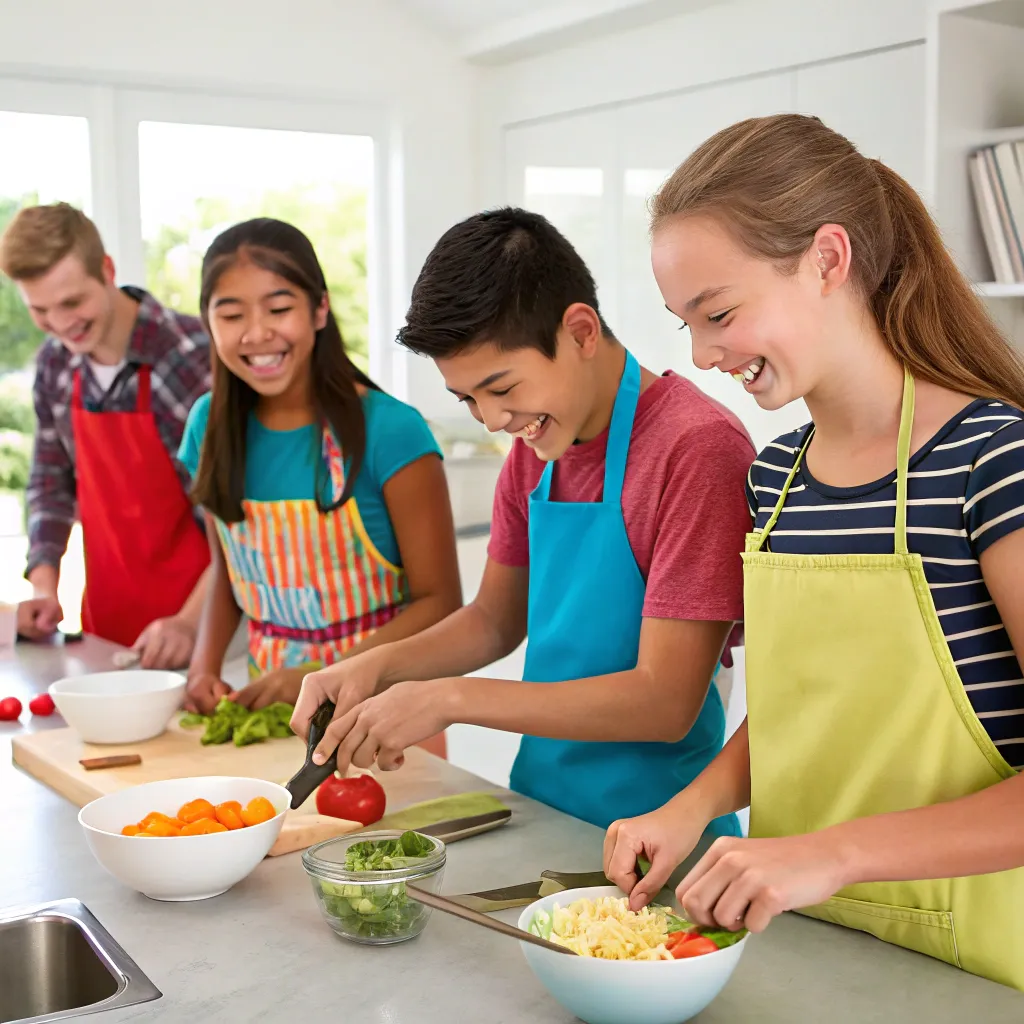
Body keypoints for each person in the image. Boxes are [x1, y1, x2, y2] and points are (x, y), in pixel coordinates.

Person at [602, 114, 1024, 991]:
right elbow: (817, 709)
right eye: (685, 324)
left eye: (718, 313)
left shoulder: (994, 462)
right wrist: (697, 806)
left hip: (976, 963)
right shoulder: (776, 481)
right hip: (808, 939)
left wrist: (829, 855)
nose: (704, 354)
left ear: (828, 259)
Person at [291, 207, 755, 832]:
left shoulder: (697, 449)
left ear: (581, 332)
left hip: (664, 836)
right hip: (542, 813)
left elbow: (665, 701)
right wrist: (371, 667)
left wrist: (450, 698)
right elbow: (493, 620)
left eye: (502, 388)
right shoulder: (535, 451)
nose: (491, 419)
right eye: (468, 399)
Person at [179, 218, 461, 764]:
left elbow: (442, 604)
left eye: (279, 309)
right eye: (232, 314)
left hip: (388, 721)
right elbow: (228, 574)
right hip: (274, 722)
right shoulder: (207, 426)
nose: (256, 333)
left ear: (320, 310)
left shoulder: (389, 430)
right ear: (208, 323)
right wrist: (203, 666)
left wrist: (317, 675)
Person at [0, 203, 211, 668]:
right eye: (40, 310)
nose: (60, 324)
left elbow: (238, 515)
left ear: (107, 270)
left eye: (72, 302)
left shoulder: (188, 356)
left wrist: (190, 622)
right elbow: (50, 483)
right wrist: (44, 587)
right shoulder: (56, 363)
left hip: (209, 636)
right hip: (109, 635)